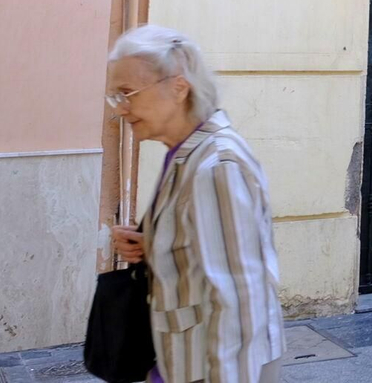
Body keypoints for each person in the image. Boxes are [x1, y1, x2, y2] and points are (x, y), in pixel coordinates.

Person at [107, 26, 284, 383]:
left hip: (217, 367)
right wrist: (156, 244)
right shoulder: (186, 152)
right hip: (182, 360)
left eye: (128, 93)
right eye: (115, 97)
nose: (121, 109)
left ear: (178, 87)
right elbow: (207, 248)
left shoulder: (215, 165)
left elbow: (238, 297)